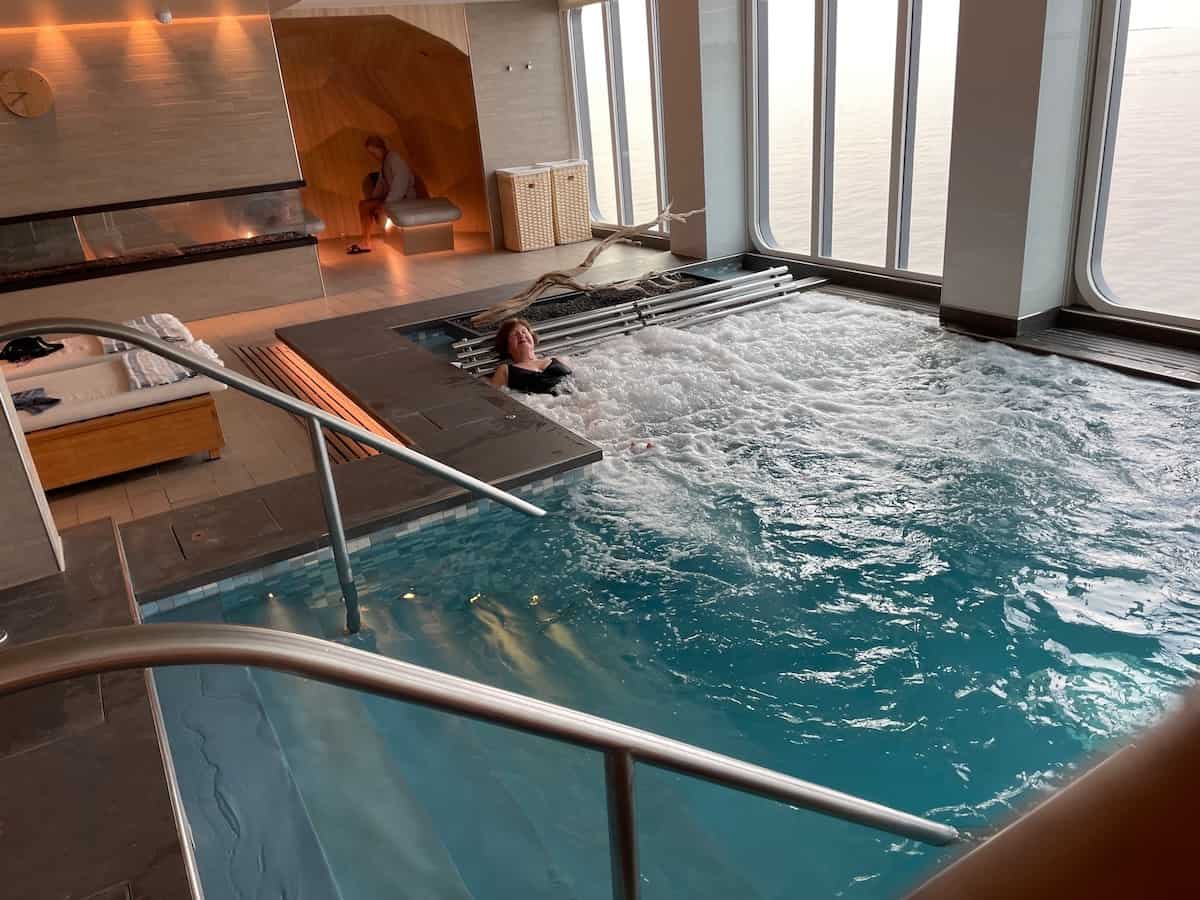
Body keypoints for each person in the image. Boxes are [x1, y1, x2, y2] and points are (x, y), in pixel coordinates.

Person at [347, 135, 416, 254]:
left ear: (380, 148)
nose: (373, 156)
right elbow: (381, 184)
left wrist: (387, 205)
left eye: (373, 152)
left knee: (366, 206)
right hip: (395, 197)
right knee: (364, 205)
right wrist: (373, 199)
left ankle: (365, 242)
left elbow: (401, 181)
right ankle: (365, 241)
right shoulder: (385, 162)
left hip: (404, 198)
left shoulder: (394, 159)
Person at [489, 318, 574, 395]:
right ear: (506, 346)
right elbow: (493, 399)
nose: (521, 335)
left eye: (524, 331)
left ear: (532, 337)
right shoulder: (505, 370)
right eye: (514, 334)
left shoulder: (557, 359)